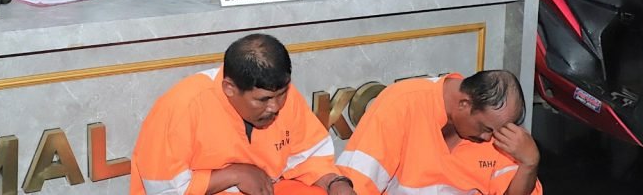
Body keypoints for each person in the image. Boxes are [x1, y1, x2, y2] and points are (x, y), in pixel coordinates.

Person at [130, 33, 355, 195]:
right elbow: (164, 189)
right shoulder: (182, 106)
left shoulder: (283, 94)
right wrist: (233, 175)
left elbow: (310, 157)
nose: (275, 107)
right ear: (229, 88)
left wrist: (334, 182)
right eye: (263, 100)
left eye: (281, 94)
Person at [337, 70, 542, 195]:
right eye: (485, 129)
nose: (488, 138)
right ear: (464, 104)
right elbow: (357, 183)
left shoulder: (499, 130)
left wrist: (529, 164)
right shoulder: (402, 102)